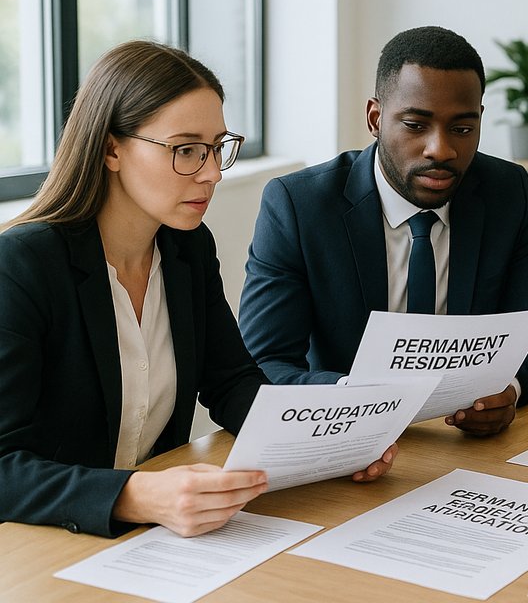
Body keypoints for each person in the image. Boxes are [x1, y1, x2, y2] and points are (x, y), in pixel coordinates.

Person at [0, 42, 395, 538]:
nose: (211, 173)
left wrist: (334, 432)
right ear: (110, 148)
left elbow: (232, 384)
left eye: (216, 148)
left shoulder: (185, 249)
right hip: (41, 547)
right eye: (186, 150)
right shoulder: (22, 264)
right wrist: (134, 494)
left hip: (153, 542)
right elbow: (3, 466)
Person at [239, 25, 528, 436]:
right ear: (375, 118)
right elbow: (263, 363)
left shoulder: (506, 193)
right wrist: (355, 400)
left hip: (469, 444)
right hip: (342, 435)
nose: (441, 150)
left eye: (462, 129)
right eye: (415, 125)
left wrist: (511, 390)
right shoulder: (299, 207)